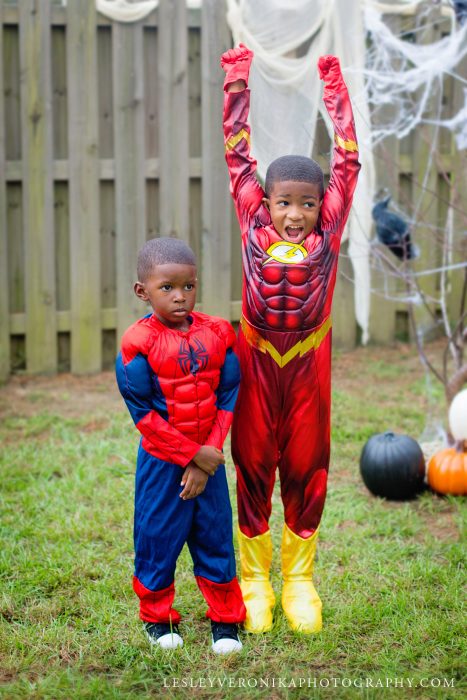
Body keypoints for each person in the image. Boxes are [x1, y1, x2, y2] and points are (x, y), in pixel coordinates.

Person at [221, 45, 361, 634]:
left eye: (307, 202)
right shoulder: (253, 219)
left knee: (307, 466)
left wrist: (334, 90)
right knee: (252, 463)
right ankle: (255, 581)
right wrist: (236, 82)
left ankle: (299, 580)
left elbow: (348, 162)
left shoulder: (329, 226)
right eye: (286, 203)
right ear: (268, 204)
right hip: (255, 359)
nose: (297, 213)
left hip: (308, 362)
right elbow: (238, 153)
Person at [115, 237, 246, 653]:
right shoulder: (136, 343)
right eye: (167, 288)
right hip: (161, 465)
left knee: (215, 537)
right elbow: (144, 418)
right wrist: (192, 456)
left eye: (188, 286)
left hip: (209, 457)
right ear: (143, 291)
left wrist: (206, 458)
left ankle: (225, 622)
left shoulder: (220, 334)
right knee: (157, 537)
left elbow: (228, 394)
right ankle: (158, 618)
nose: (179, 297)